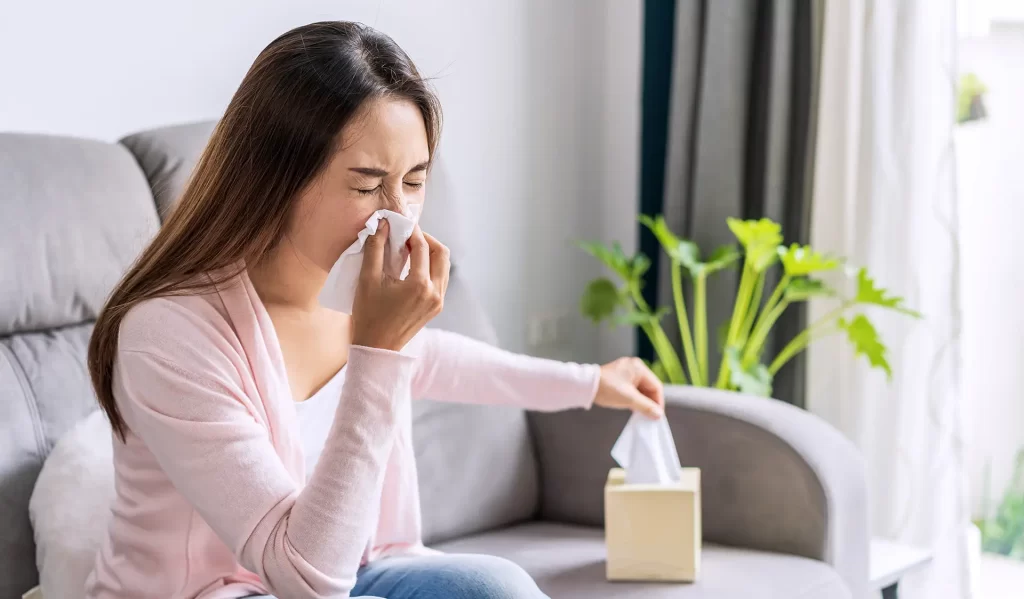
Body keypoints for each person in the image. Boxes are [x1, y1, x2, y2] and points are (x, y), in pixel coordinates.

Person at [84, 21, 665, 599]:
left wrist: (592, 382)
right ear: (274, 179)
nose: (397, 216)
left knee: (498, 586)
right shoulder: (167, 334)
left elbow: (440, 359)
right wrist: (377, 353)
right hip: (225, 590)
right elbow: (305, 577)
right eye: (366, 187)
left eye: (413, 182)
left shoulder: (347, 292)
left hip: (359, 571)